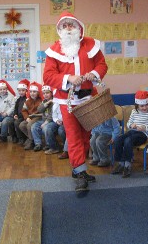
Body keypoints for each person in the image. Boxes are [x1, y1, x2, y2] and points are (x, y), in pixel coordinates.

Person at [43, 12, 108, 194]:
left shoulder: (90, 44)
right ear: (60, 30)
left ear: (79, 27)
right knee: (73, 137)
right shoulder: (54, 50)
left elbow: (102, 65)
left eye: (72, 25)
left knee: (86, 135)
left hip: (88, 98)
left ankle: (78, 168)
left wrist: (93, 74)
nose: (69, 28)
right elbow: (48, 76)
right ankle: (80, 172)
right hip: (67, 100)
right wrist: (68, 78)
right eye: (65, 26)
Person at [111, 91, 148, 178]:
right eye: (142, 106)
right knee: (118, 139)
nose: (144, 107)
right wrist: (131, 125)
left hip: (142, 135)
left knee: (128, 140)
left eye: (146, 105)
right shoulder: (134, 112)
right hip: (132, 132)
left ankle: (127, 165)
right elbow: (129, 124)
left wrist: (145, 128)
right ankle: (121, 163)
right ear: (137, 105)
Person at [31, 84, 55, 151]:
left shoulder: (54, 101)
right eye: (44, 93)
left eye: (47, 93)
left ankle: (48, 144)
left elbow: (52, 115)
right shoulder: (44, 101)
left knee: (45, 128)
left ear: (51, 93)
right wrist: (46, 104)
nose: (45, 95)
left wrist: (46, 123)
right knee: (34, 126)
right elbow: (39, 110)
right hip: (44, 120)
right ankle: (38, 143)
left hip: (51, 121)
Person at [19, 82, 43, 150]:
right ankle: (31, 138)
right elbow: (24, 110)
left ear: (38, 92)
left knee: (29, 125)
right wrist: (27, 118)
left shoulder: (41, 101)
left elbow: (42, 111)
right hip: (30, 117)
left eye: (34, 92)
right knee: (22, 125)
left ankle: (31, 141)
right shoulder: (27, 101)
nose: (32, 93)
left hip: (38, 116)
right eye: (31, 91)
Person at [12, 79, 29, 144]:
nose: (21, 92)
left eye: (23, 90)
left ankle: (22, 137)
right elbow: (15, 108)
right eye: (19, 90)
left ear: (26, 91)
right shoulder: (18, 99)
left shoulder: (27, 99)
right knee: (11, 122)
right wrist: (15, 114)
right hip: (18, 116)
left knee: (17, 123)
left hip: (24, 117)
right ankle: (15, 137)